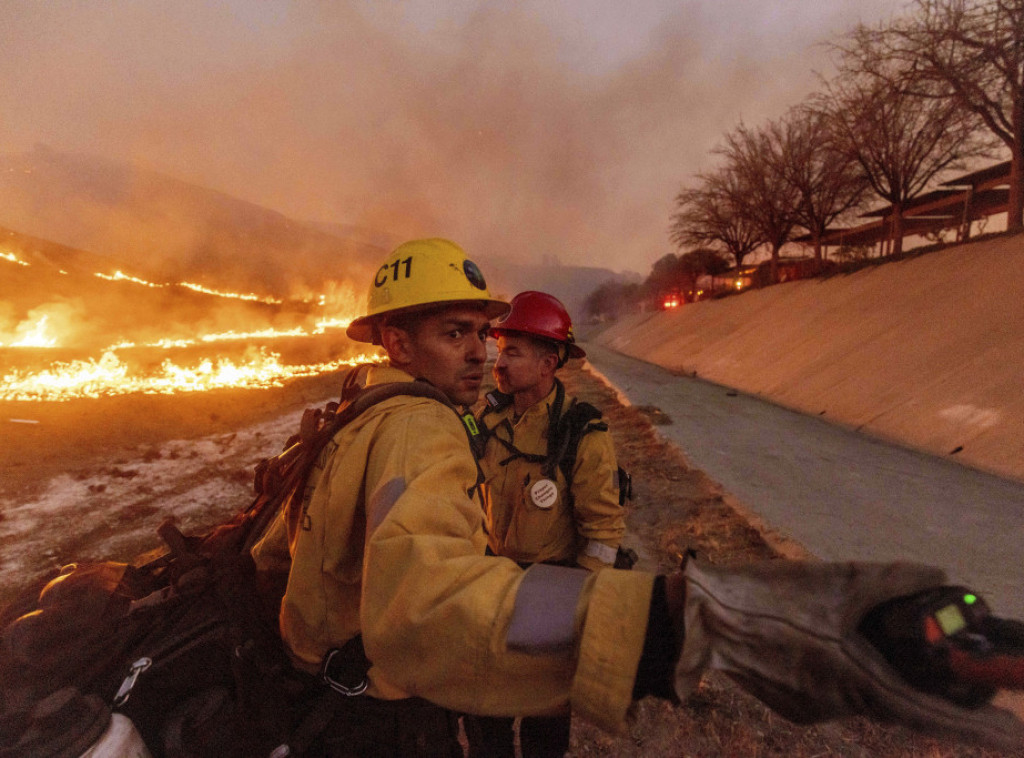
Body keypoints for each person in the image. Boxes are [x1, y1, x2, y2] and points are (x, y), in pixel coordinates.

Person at [251, 238, 1024, 757]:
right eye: (459, 334)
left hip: (417, 658)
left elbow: (282, 560)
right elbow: (427, 603)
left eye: (489, 336)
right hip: (384, 700)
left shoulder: (362, 414)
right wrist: (674, 620)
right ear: (396, 342)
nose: (485, 355)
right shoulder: (421, 428)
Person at [466, 290, 627, 757]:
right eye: (500, 351)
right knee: (486, 724)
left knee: (544, 732)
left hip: (550, 595)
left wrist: (577, 608)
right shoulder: (486, 418)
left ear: (547, 364)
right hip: (489, 588)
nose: (498, 363)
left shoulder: (582, 434)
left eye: (512, 353)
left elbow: (603, 535)